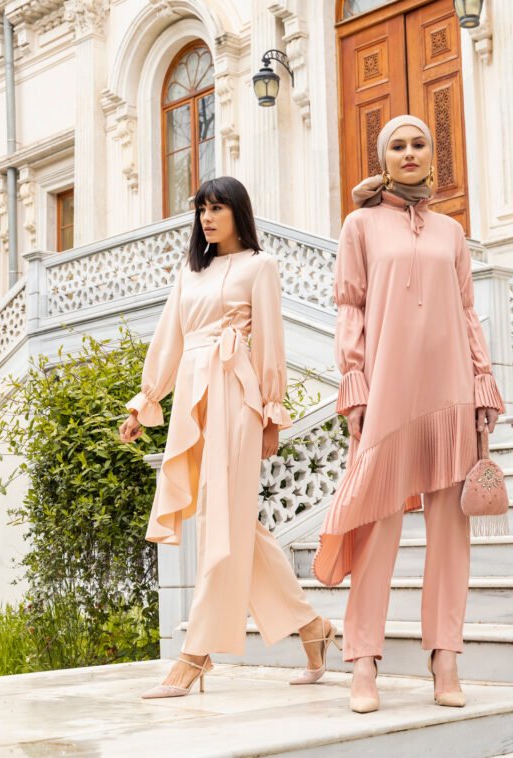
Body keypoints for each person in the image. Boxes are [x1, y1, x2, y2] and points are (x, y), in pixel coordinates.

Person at [313, 116, 506, 713]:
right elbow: (350, 307)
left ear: (431, 154)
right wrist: (354, 382)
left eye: (419, 143)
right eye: (397, 145)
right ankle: (362, 659)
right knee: (378, 524)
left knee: (450, 530)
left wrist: (482, 379)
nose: (409, 152)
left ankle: (445, 657)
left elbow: (468, 311)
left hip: (450, 389)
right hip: (389, 392)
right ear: (384, 158)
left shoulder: (452, 232)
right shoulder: (360, 225)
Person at [120, 176, 337, 699]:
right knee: (231, 522)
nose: (207, 218)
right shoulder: (189, 271)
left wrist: (271, 414)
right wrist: (144, 402)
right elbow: (169, 339)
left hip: (237, 398)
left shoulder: (261, 266)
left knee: (222, 522)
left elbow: (271, 344)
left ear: (238, 212)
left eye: (217, 208)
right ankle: (313, 627)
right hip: (191, 398)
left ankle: (195, 653)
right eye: (201, 210)